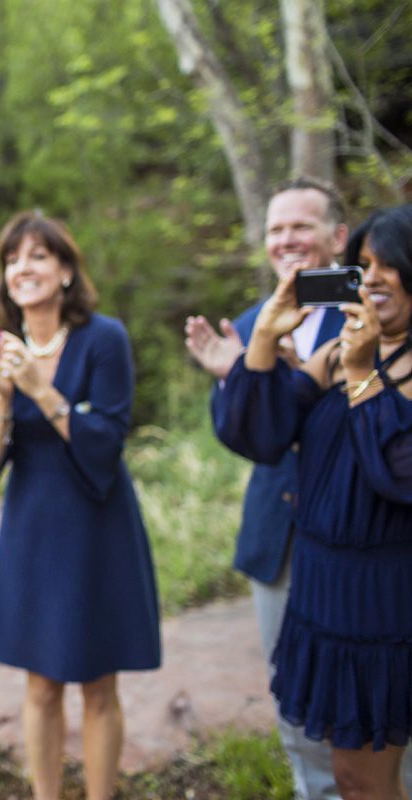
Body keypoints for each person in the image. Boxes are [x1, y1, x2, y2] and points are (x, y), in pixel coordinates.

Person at [213, 204, 412, 799]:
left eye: (389, 265)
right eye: (362, 265)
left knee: (367, 777)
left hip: (385, 597)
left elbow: (399, 473)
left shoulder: (358, 360)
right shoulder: (338, 352)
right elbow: (265, 436)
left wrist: (360, 374)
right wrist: (264, 343)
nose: (371, 279)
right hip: (324, 588)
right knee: (346, 774)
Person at [0, 211, 160, 800]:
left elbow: (107, 443)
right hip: (34, 524)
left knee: (100, 683)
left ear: (67, 271)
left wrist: (41, 391)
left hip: (98, 518)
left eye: (38, 256)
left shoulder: (105, 339)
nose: (23, 268)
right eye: (13, 258)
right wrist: (2, 395)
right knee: (40, 683)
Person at [185, 177, 347, 799]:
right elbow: (245, 439)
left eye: (301, 226)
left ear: (336, 236)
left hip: (362, 536)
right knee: (296, 704)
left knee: (384, 702)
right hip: (277, 540)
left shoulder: (374, 310)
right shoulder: (252, 323)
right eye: (276, 229)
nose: (286, 240)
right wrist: (241, 372)